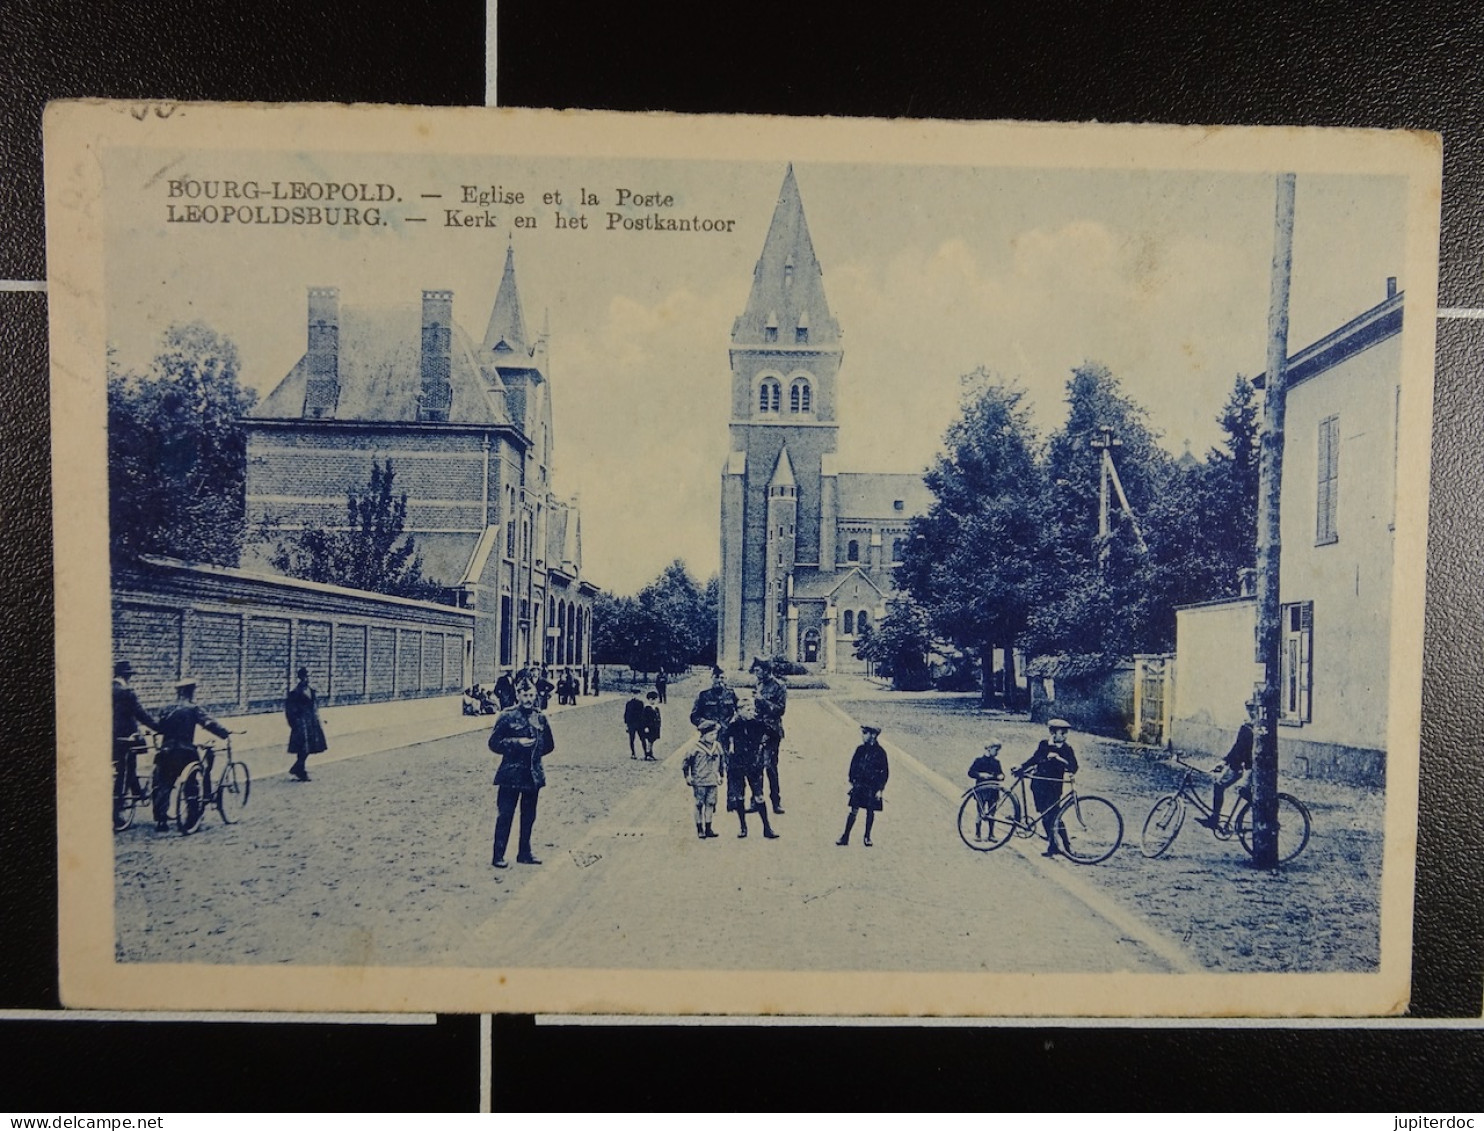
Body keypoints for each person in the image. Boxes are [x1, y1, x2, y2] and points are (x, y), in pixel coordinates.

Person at [488, 677, 555, 868]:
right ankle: (498, 855)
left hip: (532, 776)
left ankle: (524, 853)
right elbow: (493, 743)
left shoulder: (540, 717)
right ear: (517, 695)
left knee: (528, 817)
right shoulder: (507, 716)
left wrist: (534, 754)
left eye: (531, 695)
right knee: (505, 815)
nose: (528, 699)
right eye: (525, 695)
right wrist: (516, 744)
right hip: (510, 775)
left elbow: (549, 745)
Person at [151, 676, 230, 832]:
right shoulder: (193, 709)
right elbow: (209, 723)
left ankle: (161, 820)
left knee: (163, 784)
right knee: (191, 783)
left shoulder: (166, 708)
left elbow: (159, 727)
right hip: (184, 752)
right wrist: (224, 733)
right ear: (191, 691)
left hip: (166, 751)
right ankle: (192, 818)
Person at [1016, 718, 1079, 857]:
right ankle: (1052, 846)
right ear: (1052, 732)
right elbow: (1035, 759)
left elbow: (1074, 767)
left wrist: (1059, 759)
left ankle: (1067, 847)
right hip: (1039, 785)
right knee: (1044, 815)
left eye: (1065, 733)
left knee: (1056, 816)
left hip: (1054, 786)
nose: (1063, 736)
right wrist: (1021, 766)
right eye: (1060, 732)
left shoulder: (1067, 749)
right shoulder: (1044, 745)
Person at [724, 695, 778, 839]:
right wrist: (729, 752)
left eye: (753, 709)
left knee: (759, 796)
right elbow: (723, 740)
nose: (751, 712)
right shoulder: (733, 725)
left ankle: (767, 828)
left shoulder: (758, 724)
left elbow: (775, 735)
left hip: (754, 765)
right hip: (737, 766)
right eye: (748, 709)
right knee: (740, 797)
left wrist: (765, 750)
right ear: (739, 711)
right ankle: (743, 827)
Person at [1202, 698, 1258, 829]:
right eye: (1249, 708)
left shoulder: (1250, 728)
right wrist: (1226, 762)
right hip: (1247, 766)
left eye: (1253, 708)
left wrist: (1226, 762)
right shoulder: (1252, 726)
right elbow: (1239, 748)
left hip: (1251, 768)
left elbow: (1239, 749)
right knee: (1221, 785)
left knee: (1233, 788)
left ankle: (1261, 815)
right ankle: (1218, 819)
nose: (1251, 711)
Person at [112, 660, 156, 819]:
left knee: (126, 768)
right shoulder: (127, 692)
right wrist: (158, 727)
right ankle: (116, 813)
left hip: (108, 739)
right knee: (124, 771)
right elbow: (140, 714)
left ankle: (137, 792)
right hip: (126, 739)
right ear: (127, 676)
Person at [836, 723, 889, 847]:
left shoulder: (881, 753)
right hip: (860, 785)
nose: (863, 736)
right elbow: (853, 765)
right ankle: (845, 836)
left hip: (872, 786)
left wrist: (880, 789)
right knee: (853, 810)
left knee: (870, 811)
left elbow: (885, 772)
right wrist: (852, 779)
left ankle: (867, 837)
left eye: (865, 733)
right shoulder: (860, 749)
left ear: (874, 735)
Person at [753, 660, 788, 814]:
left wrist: (763, 701)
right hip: (757, 730)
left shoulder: (779, 686)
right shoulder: (758, 684)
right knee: (756, 765)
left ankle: (776, 801)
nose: (756, 672)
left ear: (767, 670)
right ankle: (756, 800)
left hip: (772, 731)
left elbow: (780, 710)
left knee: (770, 767)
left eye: (758, 670)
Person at [682, 718, 726, 839]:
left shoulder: (717, 746)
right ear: (703, 735)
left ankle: (708, 828)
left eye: (715, 734)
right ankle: (699, 828)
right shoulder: (695, 748)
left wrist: (721, 775)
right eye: (711, 734)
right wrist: (687, 776)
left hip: (712, 780)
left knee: (711, 803)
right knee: (699, 804)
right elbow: (686, 763)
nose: (714, 737)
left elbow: (722, 761)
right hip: (699, 780)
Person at [285, 666, 327, 782]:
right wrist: (295, 723)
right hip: (301, 724)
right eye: (305, 676)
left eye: (308, 676)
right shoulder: (295, 693)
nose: (307, 679)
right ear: (300, 677)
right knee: (303, 748)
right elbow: (289, 710)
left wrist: (318, 719)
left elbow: (314, 707)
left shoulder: (311, 691)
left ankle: (298, 768)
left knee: (310, 747)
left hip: (311, 722)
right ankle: (299, 770)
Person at [966, 740, 1006, 842]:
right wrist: (980, 775)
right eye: (996, 750)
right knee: (980, 812)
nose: (997, 752)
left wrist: (1001, 776)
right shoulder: (979, 761)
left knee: (992, 813)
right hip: (981, 790)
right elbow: (971, 772)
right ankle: (977, 833)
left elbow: (1001, 774)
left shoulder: (996, 762)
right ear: (989, 748)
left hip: (993, 791)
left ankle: (991, 834)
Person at [623, 691, 647, 759]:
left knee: (642, 739)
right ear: (631, 694)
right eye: (633, 694)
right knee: (632, 739)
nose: (635, 696)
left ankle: (645, 753)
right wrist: (626, 724)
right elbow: (626, 714)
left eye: (636, 694)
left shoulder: (640, 703)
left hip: (639, 724)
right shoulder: (629, 703)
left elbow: (643, 714)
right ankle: (633, 753)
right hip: (631, 724)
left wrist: (644, 724)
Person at [641, 691, 662, 761]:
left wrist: (659, 725)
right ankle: (647, 754)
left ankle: (651, 753)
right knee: (649, 741)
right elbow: (644, 719)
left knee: (652, 741)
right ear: (649, 699)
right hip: (649, 727)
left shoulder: (656, 708)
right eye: (652, 699)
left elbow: (659, 717)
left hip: (655, 727)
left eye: (655, 699)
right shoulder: (647, 708)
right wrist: (645, 727)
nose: (654, 701)